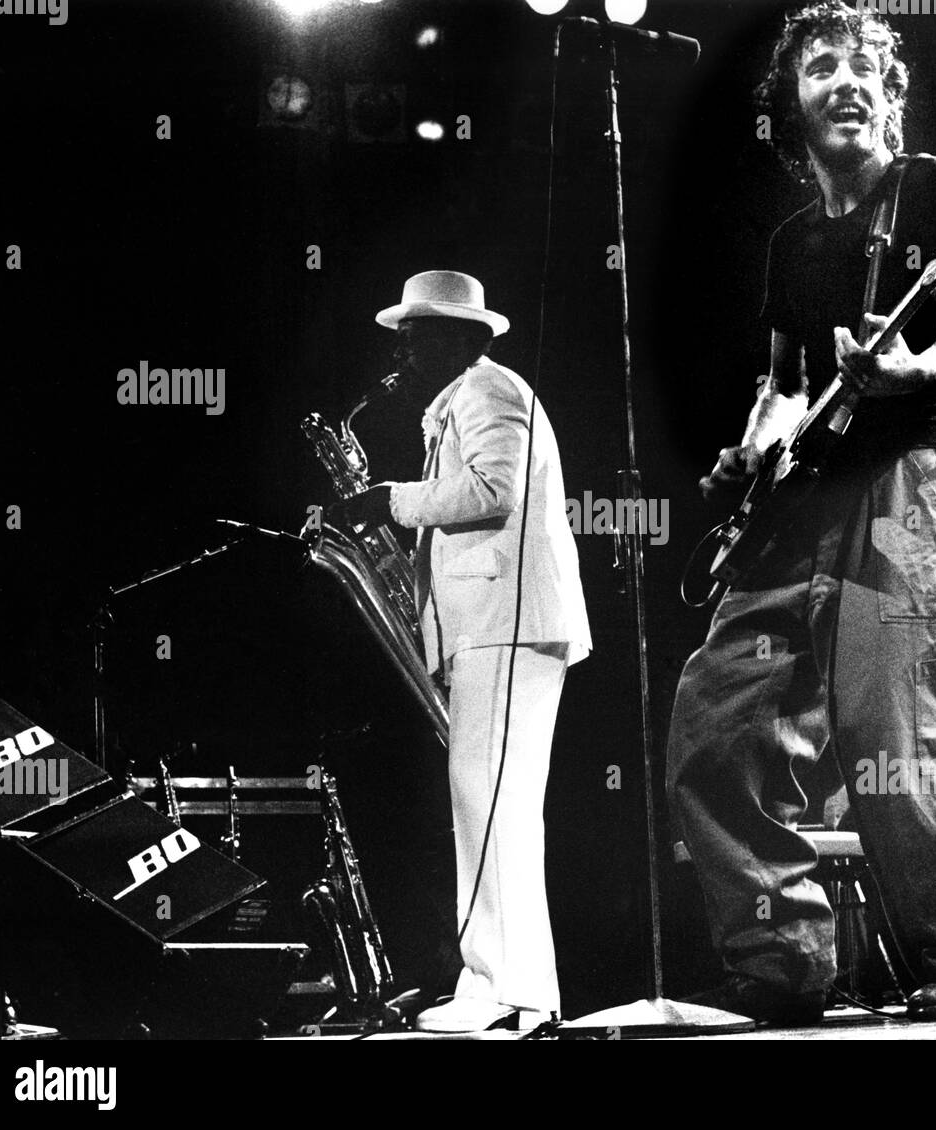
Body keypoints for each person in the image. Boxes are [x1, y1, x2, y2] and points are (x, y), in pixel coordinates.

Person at [666, 2, 936, 1023]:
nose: (848, 80)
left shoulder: (933, 192)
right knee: (715, 721)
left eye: (866, 65)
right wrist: (748, 446)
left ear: (890, 98)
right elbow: (780, 388)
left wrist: (907, 365)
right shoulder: (790, 243)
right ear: (792, 109)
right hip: (796, 503)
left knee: (905, 737)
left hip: (903, 484)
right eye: (822, 67)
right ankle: (782, 963)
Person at [336, 270, 591, 1032]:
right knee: (497, 809)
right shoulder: (461, 399)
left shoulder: (488, 390)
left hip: (505, 626)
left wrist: (390, 499)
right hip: (494, 627)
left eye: (418, 335)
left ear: (465, 338)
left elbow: (491, 492)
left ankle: (496, 992)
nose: (404, 350)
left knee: (490, 806)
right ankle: (518, 992)